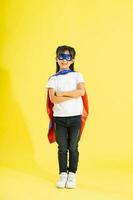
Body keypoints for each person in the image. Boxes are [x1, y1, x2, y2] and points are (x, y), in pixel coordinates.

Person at [46, 45, 88, 189]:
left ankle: (72, 174)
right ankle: (63, 174)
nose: (64, 60)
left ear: (72, 60)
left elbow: (81, 92)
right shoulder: (52, 79)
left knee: (73, 147)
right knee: (62, 147)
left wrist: (62, 93)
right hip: (60, 119)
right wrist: (71, 94)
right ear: (57, 59)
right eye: (61, 57)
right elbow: (53, 99)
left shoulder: (77, 75)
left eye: (67, 57)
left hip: (75, 117)